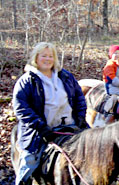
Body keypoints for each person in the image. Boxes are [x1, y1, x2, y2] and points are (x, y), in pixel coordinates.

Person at [12, 42, 89, 185]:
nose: (47, 59)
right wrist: (41, 127)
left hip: (71, 126)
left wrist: (80, 117)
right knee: (30, 161)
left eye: (50, 56)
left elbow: (79, 98)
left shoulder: (65, 76)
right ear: (36, 58)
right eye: (43, 56)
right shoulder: (27, 81)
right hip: (40, 131)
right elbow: (21, 108)